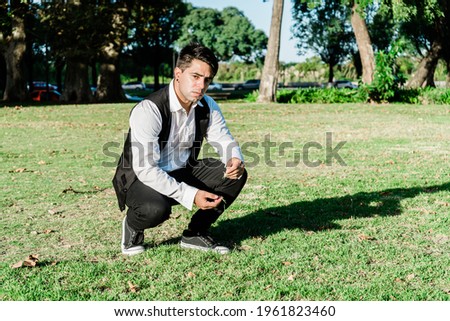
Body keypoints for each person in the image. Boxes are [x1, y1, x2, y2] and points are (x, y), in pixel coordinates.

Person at [112, 43, 247, 256]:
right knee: (155, 209)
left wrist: (234, 158)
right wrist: (192, 195)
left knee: (235, 175)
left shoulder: (207, 105)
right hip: (141, 178)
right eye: (195, 76)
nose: (201, 85)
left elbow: (223, 139)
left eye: (207, 79)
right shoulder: (149, 109)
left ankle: (196, 232)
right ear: (178, 73)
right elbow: (146, 169)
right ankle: (133, 226)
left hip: (184, 169)